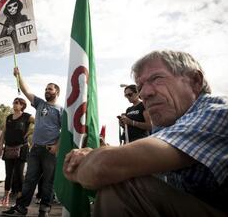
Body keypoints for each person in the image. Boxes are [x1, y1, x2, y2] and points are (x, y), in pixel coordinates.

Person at [63, 50, 228, 216]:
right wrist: (94, 157)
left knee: (123, 188)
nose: (144, 93)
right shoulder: (167, 123)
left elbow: (102, 167)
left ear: (195, 81)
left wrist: (77, 168)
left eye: (157, 79)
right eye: (140, 87)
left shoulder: (218, 113)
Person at [3, 67, 63, 217]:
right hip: (35, 149)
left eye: (50, 89)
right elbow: (26, 91)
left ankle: (44, 209)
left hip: (49, 151)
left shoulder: (61, 110)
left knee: (48, 182)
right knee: (29, 180)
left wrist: (57, 146)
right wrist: (19, 76)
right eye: (46, 89)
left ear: (57, 92)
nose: (47, 91)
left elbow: (65, 131)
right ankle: (21, 208)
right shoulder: (40, 104)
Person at [0, 97, 34, 207]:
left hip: (21, 148)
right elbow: (4, 132)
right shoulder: (9, 117)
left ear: (22, 105)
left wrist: (30, 132)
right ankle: (5, 199)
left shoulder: (27, 116)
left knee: (19, 174)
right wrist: (0, 146)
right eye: (14, 102)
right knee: (9, 174)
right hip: (8, 148)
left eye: (17, 103)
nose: (14, 104)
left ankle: (19, 201)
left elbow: (39, 122)